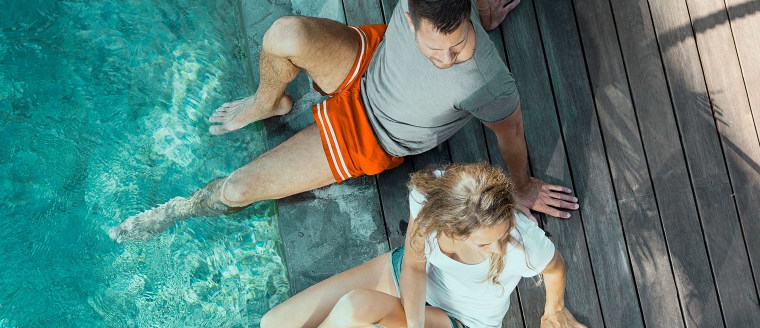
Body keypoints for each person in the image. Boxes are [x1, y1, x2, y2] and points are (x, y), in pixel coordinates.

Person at [110, 0, 578, 242]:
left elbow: (511, 131)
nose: (448, 60)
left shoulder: (486, 80)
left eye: (458, 45)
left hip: (372, 135)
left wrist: (522, 185)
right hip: (368, 61)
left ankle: (178, 210)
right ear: (412, 20)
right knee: (283, 34)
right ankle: (265, 101)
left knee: (236, 190)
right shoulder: (421, 13)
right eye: (435, 49)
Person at [237, 163, 592, 328]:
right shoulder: (430, 195)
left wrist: (554, 310)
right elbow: (413, 263)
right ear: (449, 227)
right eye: (485, 244)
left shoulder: (520, 244)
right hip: (409, 276)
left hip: (461, 324)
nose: (498, 249)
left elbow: (555, 265)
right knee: (275, 326)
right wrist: (414, 322)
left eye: (500, 236)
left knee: (355, 307)